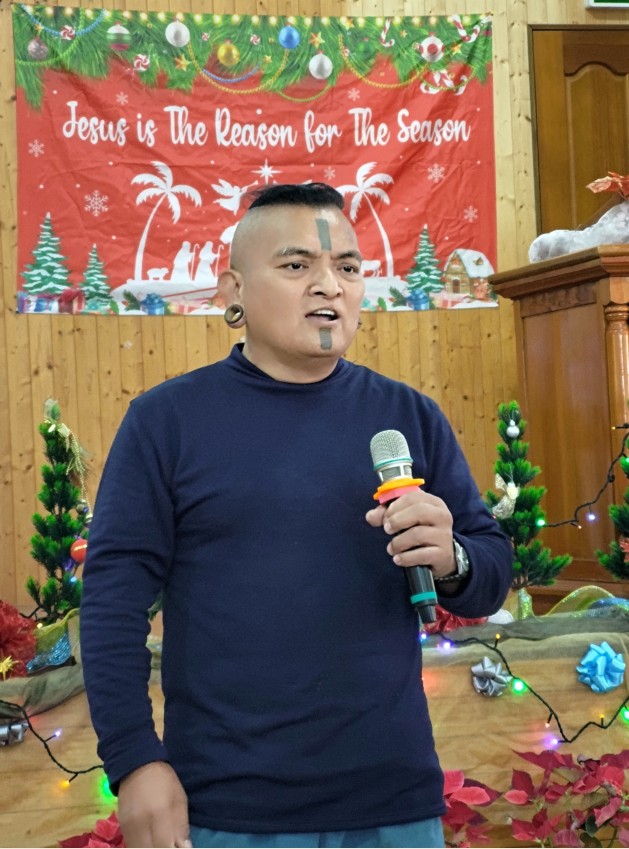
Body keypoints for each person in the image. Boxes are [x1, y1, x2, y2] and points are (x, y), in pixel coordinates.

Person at [80, 182, 513, 849]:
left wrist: (452, 557)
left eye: (347, 267)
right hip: (228, 809)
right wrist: (134, 759)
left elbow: (489, 573)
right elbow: (112, 603)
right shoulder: (166, 423)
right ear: (232, 291)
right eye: (295, 265)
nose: (328, 286)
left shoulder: (408, 417)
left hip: (393, 803)